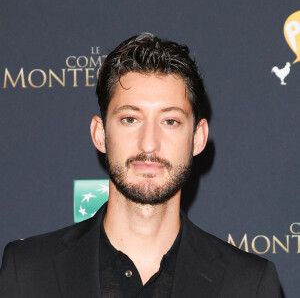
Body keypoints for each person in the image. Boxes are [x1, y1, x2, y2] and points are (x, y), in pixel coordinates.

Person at [0, 33, 282, 298]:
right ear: (100, 134)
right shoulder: (27, 272)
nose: (149, 144)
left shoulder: (248, 285)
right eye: (130, 119)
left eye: (170, 121)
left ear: (198, 138)